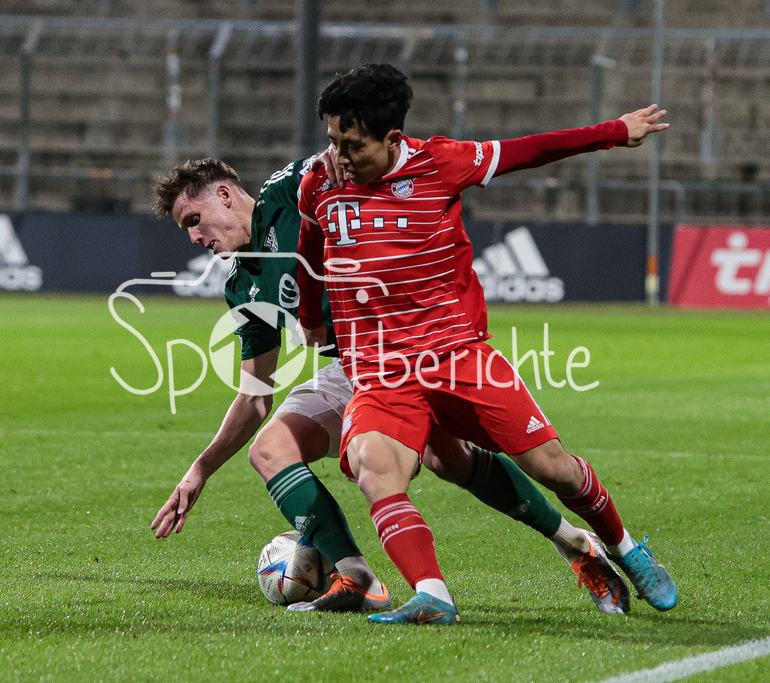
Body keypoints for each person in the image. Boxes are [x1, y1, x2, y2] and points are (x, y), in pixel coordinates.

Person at [150, 156, 632, 615]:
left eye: (194, 219)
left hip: (412, 341)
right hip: (353, 368)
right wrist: (199, 471)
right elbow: (256, 396)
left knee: (456, 458)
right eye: (185, 229)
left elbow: (338, 160)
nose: (194, 237)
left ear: (225, 195)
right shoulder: (242, 286)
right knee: (271, 449)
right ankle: (356, 577)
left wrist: (339, 153)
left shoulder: (285, 193)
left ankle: (575, 543)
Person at [297, 63, 678, 625]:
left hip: (458, 356)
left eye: (352, 146)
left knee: (555, 470)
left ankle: (624, 548)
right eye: (332, 141)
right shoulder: (320, 183)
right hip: (380, 371)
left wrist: (615, 131)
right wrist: (310, 317)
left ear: (393, 139)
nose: (339, 156)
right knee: (375, 468)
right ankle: (434, 597)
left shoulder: (440, 163)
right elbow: (309, 249)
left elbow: (530, 150)